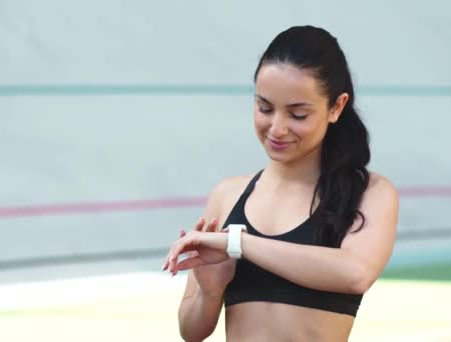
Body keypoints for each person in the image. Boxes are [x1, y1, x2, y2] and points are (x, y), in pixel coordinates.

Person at [162, 25, 399, 342]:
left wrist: (239, 243)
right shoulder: (228, 194)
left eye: (297, 114)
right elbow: (191, 332)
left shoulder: (369, 193)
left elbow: (355, 274)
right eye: (264, 108)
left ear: (336, 107)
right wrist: (209, 291)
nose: (276, 128)